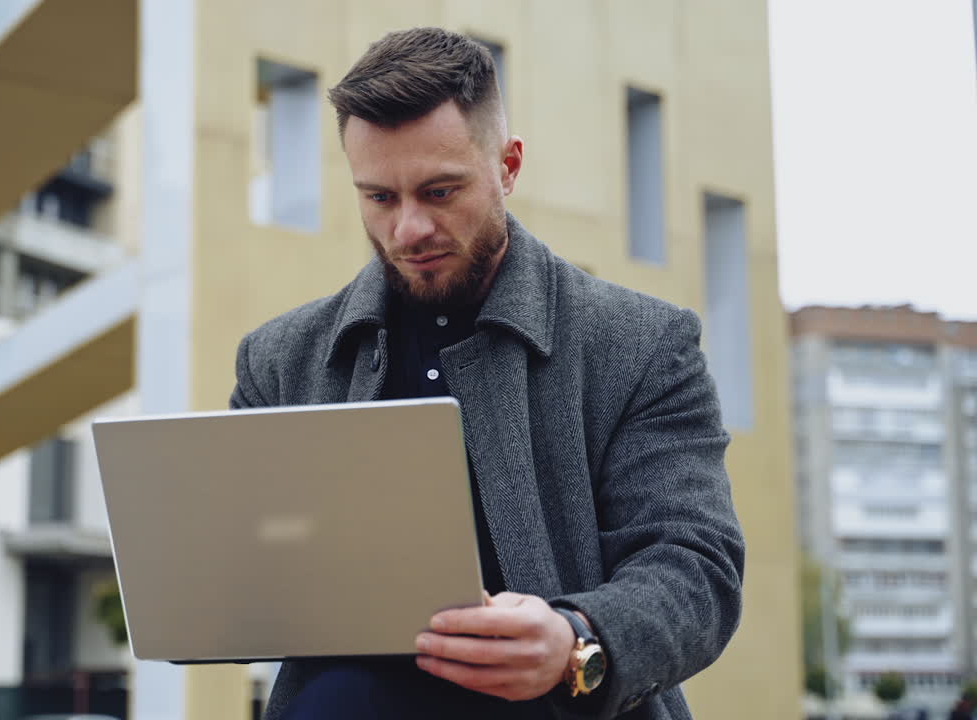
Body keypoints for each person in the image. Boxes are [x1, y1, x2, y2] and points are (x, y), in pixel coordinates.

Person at [230, 27, 745, 720]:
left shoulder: (643, 344)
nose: (408, 229)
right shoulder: (278, 361)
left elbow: (695, 567)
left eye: (440, 192)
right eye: (379, 198)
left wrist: (576, 639)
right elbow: (236, 574)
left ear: (508, 166)